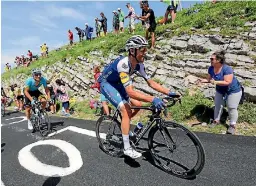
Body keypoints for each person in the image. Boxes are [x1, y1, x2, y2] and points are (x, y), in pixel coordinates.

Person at [98, 35, 180, 159]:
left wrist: (169, 92)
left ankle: (124, 125)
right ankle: (127, 148)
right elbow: (130, 92)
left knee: (138, 105)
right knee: (126, 110)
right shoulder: (124, 64)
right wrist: (153, 99)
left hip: (118, 84)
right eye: (142, 50)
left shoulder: (139, 65)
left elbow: (151, 83)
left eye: (145, 49)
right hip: (106, 83)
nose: (145, 53)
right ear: (132, 50)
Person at [199, 51, 242, 135]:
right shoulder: (211, 68)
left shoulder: (227, 69)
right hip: (220, 90)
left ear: (218, 60)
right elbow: (209, 79)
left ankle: (232, 125)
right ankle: (216, 120)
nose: (210, 60)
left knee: (231, 107)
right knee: (218, 105)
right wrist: (203, 81)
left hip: (233, 90)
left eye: (212, 59)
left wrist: (214, 82)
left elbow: (228, 82)